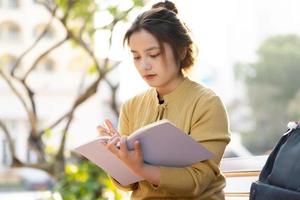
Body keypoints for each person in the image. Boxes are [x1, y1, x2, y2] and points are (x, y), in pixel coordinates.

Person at [97, 1, 231, 199]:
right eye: (136, 57)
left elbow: (198, 180)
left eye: (153, 54)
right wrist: (116, 157)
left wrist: (141, 168)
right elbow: (128, 184)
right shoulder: (131, 106)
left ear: (182, 50)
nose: (144, 65)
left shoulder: (207, 103)